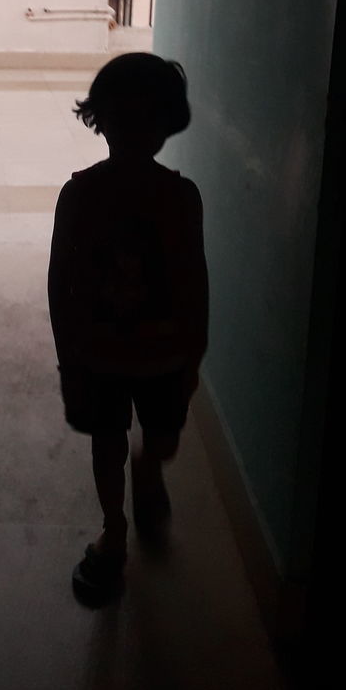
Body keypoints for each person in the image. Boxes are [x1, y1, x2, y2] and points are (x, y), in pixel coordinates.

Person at [47, 53, 208, 598]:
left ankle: (138, 487)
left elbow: (193, 283)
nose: (137, 132)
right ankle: (115, 528)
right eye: (128, 120)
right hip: (115, 358)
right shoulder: (91, 196)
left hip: (125, 356)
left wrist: (192, 354)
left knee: (136, 442)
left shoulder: (170, 199)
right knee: (120, 441)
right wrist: (69, 359)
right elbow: (60, 283)